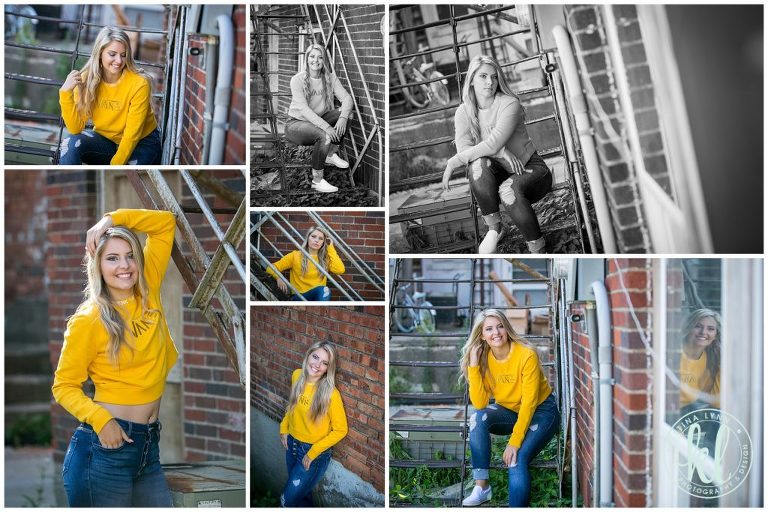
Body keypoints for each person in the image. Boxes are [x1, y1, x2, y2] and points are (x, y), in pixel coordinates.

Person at [52, 208, 177, 507]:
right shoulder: (89, 319)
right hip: (104, 450)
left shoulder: (148, 287)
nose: (125, 266)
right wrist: (101, 421)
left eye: (130, 255)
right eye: (112, 258)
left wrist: (112, 219)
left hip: (149, 448)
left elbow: (165, 223)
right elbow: (63, 385)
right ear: (98, 265)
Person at [442, 55, 552, 254]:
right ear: (472, 79)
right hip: (498, 173)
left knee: (508, 190)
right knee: (477, 166)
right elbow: (469, 151)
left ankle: (539, 252)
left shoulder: (509, 103)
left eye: (494, 77)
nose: (490, 82)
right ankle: (495, 228)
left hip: (531, 169)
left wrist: (454, 162)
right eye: (483, 76)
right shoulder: (463, 112)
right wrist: (501, 150)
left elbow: (492, 144)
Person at [459, 309, 559, 507]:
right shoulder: (483, 358)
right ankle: (482, 487)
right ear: (482, 335)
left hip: (541, 412)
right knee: (477, 418)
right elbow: (480, 404)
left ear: (507, 328)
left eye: (500, 326)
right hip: (508, 411)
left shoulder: (526, 355)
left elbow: (529, 403)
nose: (496, 332)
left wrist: (514, 441)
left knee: (516, 459)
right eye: (489, 329)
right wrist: (473, 364)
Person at [59, 27, 161, 165]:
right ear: (100, 53)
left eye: (123, 55)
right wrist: (65, 93)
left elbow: (132, 134)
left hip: (141, 143)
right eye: (112, 54)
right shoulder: (86, 80)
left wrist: (114, 167)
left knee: (128, 179)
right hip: (107, 140)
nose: (118, 61)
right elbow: (75, 128)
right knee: (70, 142)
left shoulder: (139, 84)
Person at [279, 342, 348, 507]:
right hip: (292, 445)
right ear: (308, 355)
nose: (317, 365)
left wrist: (313, 452)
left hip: (312, 452)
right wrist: (284, 427)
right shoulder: (297, 375)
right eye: (315, 357)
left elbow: (341, 430)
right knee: (302, 497)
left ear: (328, 369)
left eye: (324, 363)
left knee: (286, 501)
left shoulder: (330, 394)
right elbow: (293, 405)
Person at [285, 43, 353, 193]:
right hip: (296, 124)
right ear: (307, 58)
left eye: (320, 57)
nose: (316, 60)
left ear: (324, 61)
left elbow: (347, 99)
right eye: (312, 56)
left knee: (347, 114)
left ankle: (330, 153)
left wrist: (342, 117)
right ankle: (317, 180)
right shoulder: (297, 80)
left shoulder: (330, 78)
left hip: (319, 119)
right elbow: (304, 110)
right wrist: (327, 127)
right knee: (324, 135)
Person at [266, 226, 345, 301]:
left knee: (324, 290)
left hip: (318, 296)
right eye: (313, 236)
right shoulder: (295, 255)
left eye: (320, 238)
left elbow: (340, 270)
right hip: (299, 297)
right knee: (324, 290)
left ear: (323, 242)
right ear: (308, 238)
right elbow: (270, 268)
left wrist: (330, 248)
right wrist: (278, 277)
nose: (316, 240)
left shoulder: (325, 259)